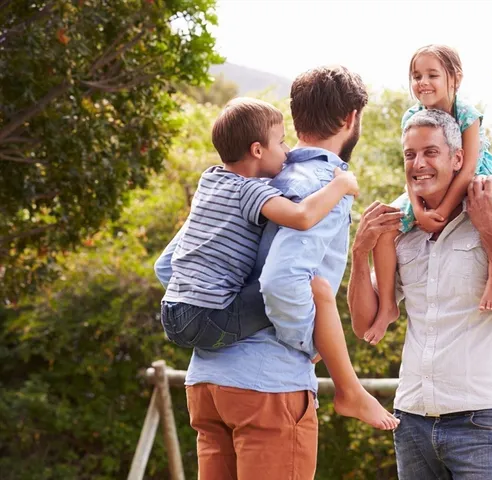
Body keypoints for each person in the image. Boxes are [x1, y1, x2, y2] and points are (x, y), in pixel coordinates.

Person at [154, 66, 398, 480]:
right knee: (317, 290)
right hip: (267, 385)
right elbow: (281, 281)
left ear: (295, 116)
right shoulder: (324, 182)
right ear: (350, 119)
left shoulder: (237, 179)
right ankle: (349, 388)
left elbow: (169, 265)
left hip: (207, 384)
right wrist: (309, 340)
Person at [348, 109, 492, 480]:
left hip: (478, 422)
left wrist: (490, 231)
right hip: (410, 420)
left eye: (430, 152)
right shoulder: (400, 229)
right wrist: (359, 253)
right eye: (410, 155)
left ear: (458, 159)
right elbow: (364, 323)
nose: (418, 164)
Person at [160, 97, 360, 350]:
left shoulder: (209, 180)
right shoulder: (249, 191)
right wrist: (342, 184)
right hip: (210, 317)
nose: (288, 151)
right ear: (257, 150)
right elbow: (302, 216)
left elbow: (164, 266)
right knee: (299, 288)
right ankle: (318, 349)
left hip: (171, 311)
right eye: (281, 142)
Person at [366, 44, 492, 346]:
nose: (423, 82)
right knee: (386, 223)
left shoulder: (467, 114)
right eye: (417, 75)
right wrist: (418, 211)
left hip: (473, 175)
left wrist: (442, 210)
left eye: (433, 74)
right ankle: (389, 305)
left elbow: (467, 168)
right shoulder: (412, 116)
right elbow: (410, 170)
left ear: (455, 78)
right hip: (430, 183)